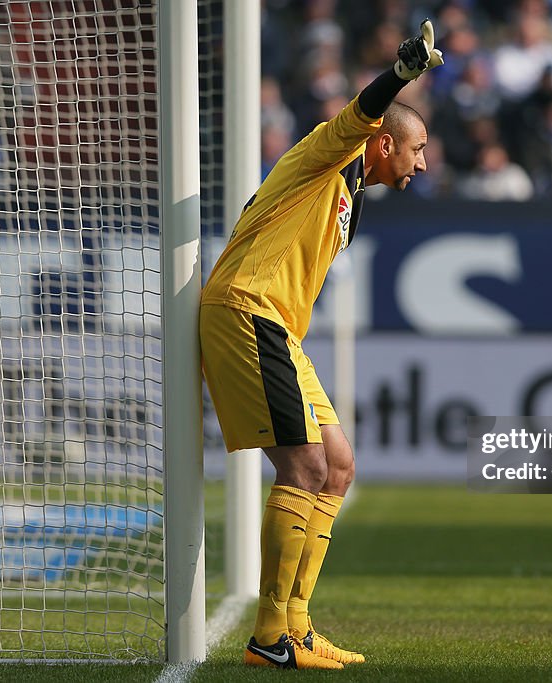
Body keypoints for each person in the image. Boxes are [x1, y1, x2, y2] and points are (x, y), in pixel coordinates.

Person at [200, 20, 443, 671]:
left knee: (337, 465)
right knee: (303, 467)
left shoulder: (351, 194)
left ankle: (299, 627)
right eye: (416, 148)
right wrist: (400, 74)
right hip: (248, 309)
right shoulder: (330, 154)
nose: (422, 163)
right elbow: (359, 113)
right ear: (384, 142)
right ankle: (269, 631)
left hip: (280, 326)